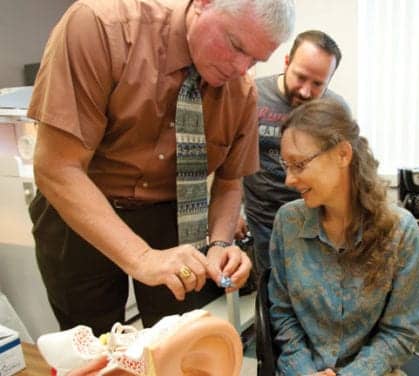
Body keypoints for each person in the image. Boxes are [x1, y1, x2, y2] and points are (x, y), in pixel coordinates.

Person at [27, 0, 294, 335]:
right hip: (81, 210)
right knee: (91, 345)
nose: (241, 67)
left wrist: (221, 245)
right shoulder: (101, 27)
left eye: (256, 59)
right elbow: (57, 167)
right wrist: (141, 257)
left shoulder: (241, 92)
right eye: (236, 45)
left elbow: (229, 181)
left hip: (173, 217)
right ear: (203, 4)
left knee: (178, 340)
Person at [268, 99, 419, 375]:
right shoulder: (288, 222)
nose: (288, 180)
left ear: (342, 154)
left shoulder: (400, 231)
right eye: (286, 165)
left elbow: (401, 332)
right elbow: (282, 315)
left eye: (299, 164)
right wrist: (304, 371)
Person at [241, 30, 347, 276]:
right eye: (301, 77)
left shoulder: (336, 110)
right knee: (272, 296)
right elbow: (230, 158)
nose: (306, 91)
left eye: (318, 84)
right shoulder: (251, 95)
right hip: (263, 222)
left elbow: (345, 172)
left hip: (317, 223)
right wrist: (234, 214)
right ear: (287, 62)